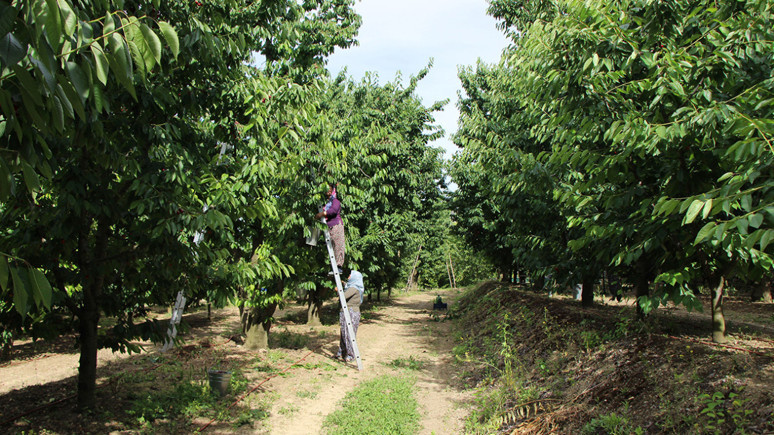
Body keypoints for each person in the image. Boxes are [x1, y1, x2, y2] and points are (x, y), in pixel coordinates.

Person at [314, 184, 345, 274]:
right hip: (329, 227)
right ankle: (334, 267)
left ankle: (338, 267)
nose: (328, 191)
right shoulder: (327, 203)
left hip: (336, 225)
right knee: (332, 247)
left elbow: (333, 211)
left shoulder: (335, 201)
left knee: (338, 245)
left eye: (330, 189)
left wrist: (322, 214)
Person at [336, 270, 364, 362]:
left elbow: (343, 296)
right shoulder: (353, 286)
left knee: (348, 333)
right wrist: (343, 283)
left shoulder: (353, 288)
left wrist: (337, 290)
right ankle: (342, 353)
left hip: (350, 312)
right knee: (344, 332)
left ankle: (350, 354)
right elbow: (347, 287)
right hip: (349, 311)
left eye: (350, 276)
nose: (348, 277)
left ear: (354, 278)